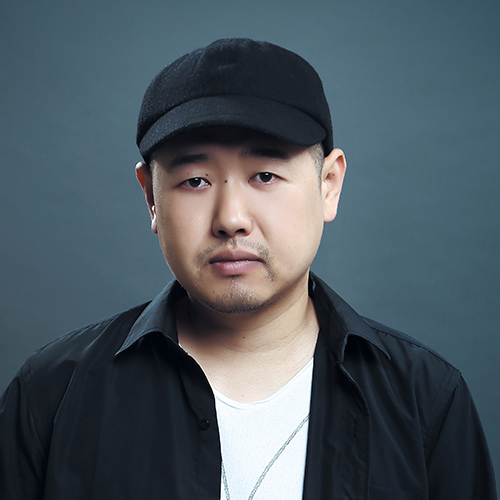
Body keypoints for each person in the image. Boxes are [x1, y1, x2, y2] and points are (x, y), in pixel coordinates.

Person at [0, 38, 496, 500]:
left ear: (328, 185)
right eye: (195, 180)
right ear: (150, 197)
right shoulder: (51, 394)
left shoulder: (426, 400)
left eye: (265, 175)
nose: (231, 218)